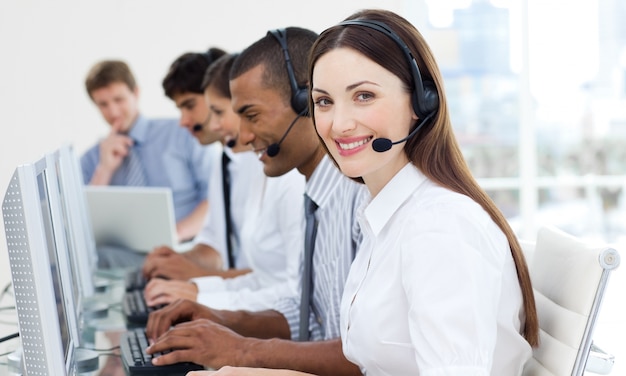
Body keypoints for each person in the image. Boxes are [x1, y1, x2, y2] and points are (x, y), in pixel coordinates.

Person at [188, 8, 540, 376]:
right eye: (324, 102)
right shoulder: (383, 218)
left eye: (364, 96)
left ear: (422, 103)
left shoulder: (439, 226)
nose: (338, 124)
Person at [143, 27, 366, 376]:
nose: (243, 137)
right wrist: (216, 316)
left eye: (252, 115)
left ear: (304, 102)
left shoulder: (356, 198)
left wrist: (243, 350)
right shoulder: (317, 197)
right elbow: (307, 312)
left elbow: (365, 354)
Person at [143, 53, 306, 312]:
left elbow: (289, 288)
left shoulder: (283, 176)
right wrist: (187, 275)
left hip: (261, 311)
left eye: (190, 106)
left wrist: (197, 286)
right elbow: (221, 248)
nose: (183, 121)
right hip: (249, 303)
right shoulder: (229, 162)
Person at [81, 60, 214, 266]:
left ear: (136, 93)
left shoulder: (183, 134)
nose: (113, 112)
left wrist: (174, 234)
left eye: (119, 99)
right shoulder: (92, 158)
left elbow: (214, 198)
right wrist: (105, 169)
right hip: (125, 259)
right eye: (103, 104)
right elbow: (84, 223)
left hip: (185, 247)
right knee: (90, 261)